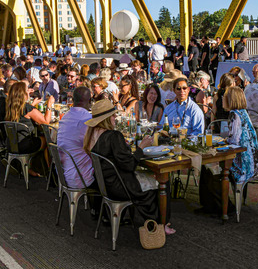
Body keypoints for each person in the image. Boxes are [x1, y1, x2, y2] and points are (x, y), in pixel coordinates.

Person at [84, 100, 175, 235]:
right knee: (162, 181)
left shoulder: (92, 134)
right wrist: (141, 147)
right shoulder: (113, 136)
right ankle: (161, 224)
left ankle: (153, 220)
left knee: (152, 177)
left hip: (105, 184)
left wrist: (125, 147)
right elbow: (130, 165)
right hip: (119, 186)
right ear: (107, 119)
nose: (115, 118)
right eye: (113, 116)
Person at [4, 82, 54, 176]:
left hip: (11, 143)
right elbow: (46, 122)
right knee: (47, 141)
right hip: (24, 144)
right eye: (27, 90)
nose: (29, 92)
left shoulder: (10, 106)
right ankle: (49, 171)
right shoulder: (27, 108)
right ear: (23, 94)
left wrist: (33, 104)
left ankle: (28, 167)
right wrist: (49, 105)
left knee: (39, 137)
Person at [57, 86, 95, 190]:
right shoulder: (87, 119)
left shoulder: (65, 116)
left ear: (73, 100)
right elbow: (97, 147)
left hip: (62, 173)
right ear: (90, 101)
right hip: (80, 178)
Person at [221, 87, 258, 184]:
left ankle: (223, 198)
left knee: (215, 168)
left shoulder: (234, 115)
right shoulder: (243, 112)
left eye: (224, 96)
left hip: (243, 166)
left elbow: (234, 141)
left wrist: (224, 141)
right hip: (254, 163)